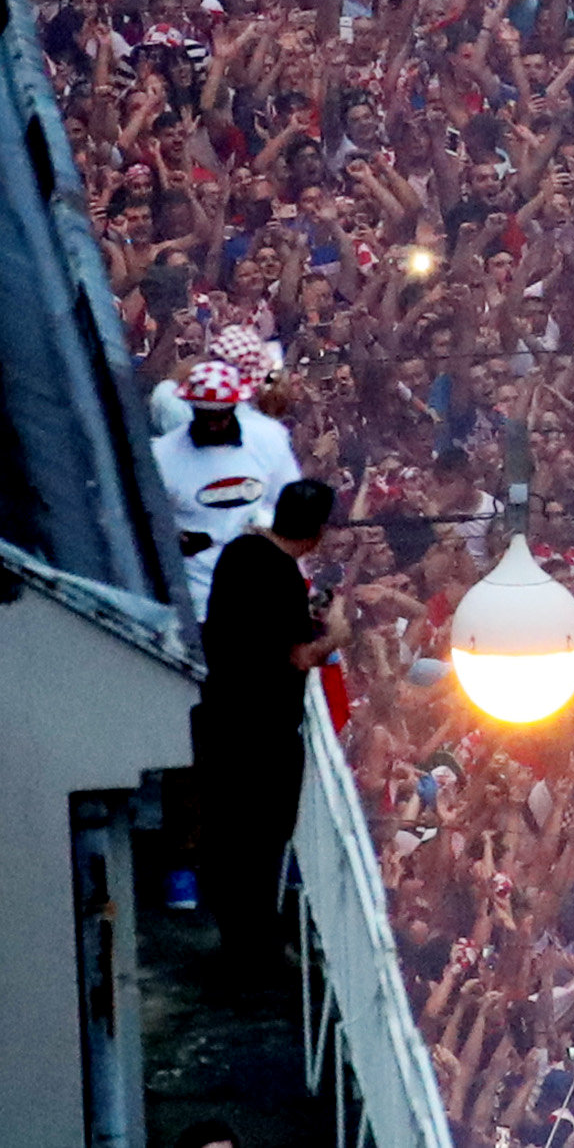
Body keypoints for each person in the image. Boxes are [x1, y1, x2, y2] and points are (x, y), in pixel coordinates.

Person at [192, 478, 345, 976]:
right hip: (263, 732)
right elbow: (299, 655)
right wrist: (336, 634)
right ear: (318, 532)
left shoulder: (240, 552)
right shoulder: (280, 576)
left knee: (226, 829)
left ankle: (237, 934)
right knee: (260, 839)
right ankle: (252, 948)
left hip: (218, 716)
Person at [151, 360, 302, 620]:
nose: (213, 424)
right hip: (195, 601)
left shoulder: (269, 439)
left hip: (257, 594)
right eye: (205, 415)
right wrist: (173, 537)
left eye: (221, 415)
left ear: (235, 406)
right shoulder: (162, 456)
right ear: (191, 407)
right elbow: (146, 522)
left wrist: (264, 529)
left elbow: (290, 505)